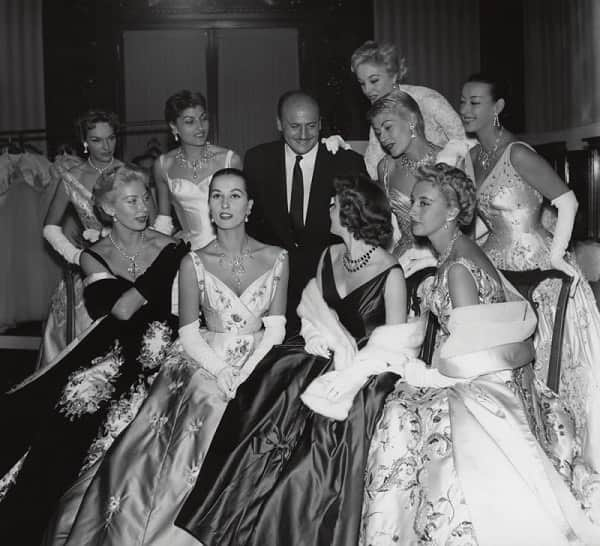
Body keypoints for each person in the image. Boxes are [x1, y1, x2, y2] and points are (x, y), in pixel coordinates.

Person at [176, 175, 426, 546]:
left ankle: (288, 524)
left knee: (329, 424)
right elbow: (312, 311)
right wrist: (313, 334)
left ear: (352, 211)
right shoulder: (330, 254)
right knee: (268, 387)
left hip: (365, 368)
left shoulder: (390, 273)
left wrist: (350, 369)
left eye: (334, 203)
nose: (328, 209)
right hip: (317, 352)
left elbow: (396, 345)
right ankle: (235, 516)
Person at [361, 163, 600, 545]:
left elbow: (473, 355)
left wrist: (420, 374)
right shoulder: (459, 250)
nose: (414, 211)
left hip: (481, 385)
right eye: (413, 202)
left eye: (425, 203)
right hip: (477, 370)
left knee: (396, 414)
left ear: (452, 212)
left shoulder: (457, 267)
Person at [49, 168, 288, 545]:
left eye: (236, 196)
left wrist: (247, 370)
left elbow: (275, 327)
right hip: (181, 356)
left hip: (253, 356)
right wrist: (222, 369)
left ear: (250, 205)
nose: (225, 205)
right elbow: (172, 325)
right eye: (217, 196)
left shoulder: (275, 257)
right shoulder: (185, 259)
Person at [0, 164, 187, 545]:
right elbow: (119, 310)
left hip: (168, 348)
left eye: (146, 197)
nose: (143, 207)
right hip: (113, 351)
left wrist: (171, 259)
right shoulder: (95, 256)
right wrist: (169, 261)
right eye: (131, 200)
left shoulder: (168, 245)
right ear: (108, 209)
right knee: (69, 409)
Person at [461, 73, 600, 473]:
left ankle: (559, 451)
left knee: (546, 365)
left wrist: (558, 256)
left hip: (540, 269)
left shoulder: (518, 152)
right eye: (463, 102)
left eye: (475, 103)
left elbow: (568, 200)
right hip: (498, 267)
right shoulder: (472, 158)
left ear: (497, 108)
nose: (467, 110)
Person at [245, 90, 367, 336]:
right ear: (279, 124)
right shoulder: (257, 160)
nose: (303, 135)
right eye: (294, 126)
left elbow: (361, 231)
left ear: (321, 123)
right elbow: (252, 228)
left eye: (311, 126)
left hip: (331, 292)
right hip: (275, 293)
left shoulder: (347, 163)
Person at [41, 110, 124, 368]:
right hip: (86, 272)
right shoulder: (71, 177)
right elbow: (50, 228)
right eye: (97, 140)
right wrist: (76, 255)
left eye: (110, 138)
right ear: (85, 142)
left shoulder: (129, 173)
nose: (106, 146)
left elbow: (153, 224)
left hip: (126, 268)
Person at [368, 89, 471, 276]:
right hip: (403, 260)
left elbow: (465, 223)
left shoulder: (447, 162)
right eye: (378, 132)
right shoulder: (385, 168)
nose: (382, 138)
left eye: (388, 127)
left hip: (444, 259)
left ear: (412, 121)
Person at [347, 40, 465, 180]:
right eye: (362, 83)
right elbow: (371, 169)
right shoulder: (379, 116)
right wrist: (345, 153)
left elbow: (465, 141)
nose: (367, 90)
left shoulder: (427, 99)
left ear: (394, 76)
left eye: (374, 81)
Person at [151, 89, 242, 250]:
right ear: (174, 127)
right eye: (189, 121)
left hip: (228, 249)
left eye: (203, 119)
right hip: (189, 253)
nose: (200, 127)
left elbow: (242, 213)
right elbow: (164, 221)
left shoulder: (229, 160)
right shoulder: (163, 165)